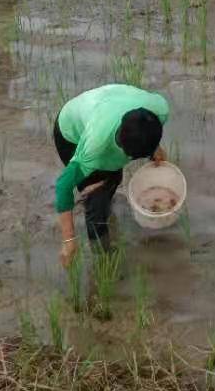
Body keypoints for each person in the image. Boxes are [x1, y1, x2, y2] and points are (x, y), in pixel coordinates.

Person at [52, 83, 169, 265]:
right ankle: (103, 258)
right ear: (121, 145)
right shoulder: (96, 145)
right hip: (70, 132)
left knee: (113, 178)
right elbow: (63, 186)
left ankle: (107, 206)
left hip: (103, 104)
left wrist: (154, 148)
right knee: (97, 197)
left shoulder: (158, 110)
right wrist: (68, 241)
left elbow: (147, 131)